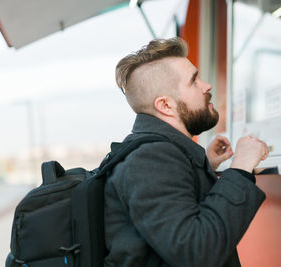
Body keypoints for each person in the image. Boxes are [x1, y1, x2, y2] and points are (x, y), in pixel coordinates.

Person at [104, 37, 269, 267]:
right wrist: (240, 168)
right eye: (194, 81)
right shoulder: (149, 161)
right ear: (165, 105)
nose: (206, 85)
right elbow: (197, 252)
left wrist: (204, 167)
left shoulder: (159, 156)